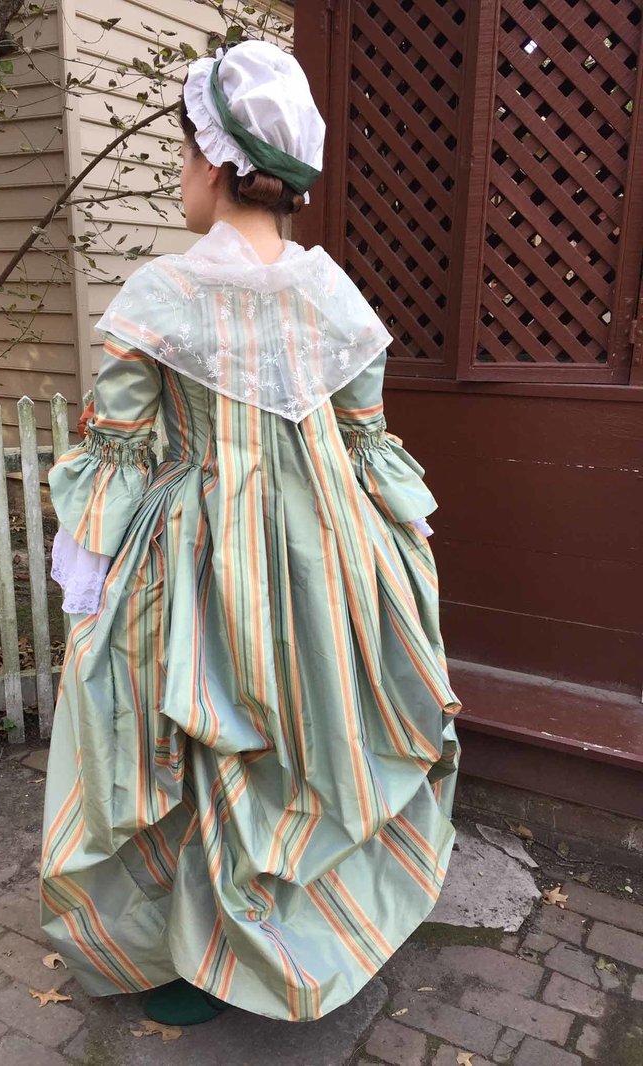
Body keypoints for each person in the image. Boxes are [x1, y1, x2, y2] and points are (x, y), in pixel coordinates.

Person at [41, 39, 461, 1027]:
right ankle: (286, 931)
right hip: (326, 560)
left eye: (183, 156)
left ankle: (190, 956)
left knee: (181, 742)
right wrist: (397, 562)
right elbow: (365, 447)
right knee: (303, 740)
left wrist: (85, 563)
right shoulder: (338, 301)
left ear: (218, 163)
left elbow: (122, 447)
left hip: (189, 561)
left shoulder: (158, 295)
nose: (178, 178)